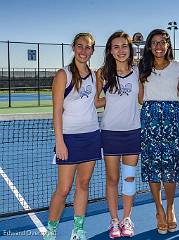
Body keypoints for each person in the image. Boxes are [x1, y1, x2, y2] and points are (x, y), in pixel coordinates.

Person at [44, 32, 101, 240]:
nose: (83, 51)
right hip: (68, 139)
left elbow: (95, 103)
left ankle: (78, 229)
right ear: (73, 48)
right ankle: (51, 230)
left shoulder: (96, 76)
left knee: (83, 185)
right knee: (64, 188)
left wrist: (120, 98)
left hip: (92, 137)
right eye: (80, 46)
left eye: (88, 47)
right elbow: (57, 110)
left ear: (93, 51)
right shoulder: (63, 75)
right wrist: (60, 141)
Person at [138, 29, 179, 235]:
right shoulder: (142, 68)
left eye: (162, 42)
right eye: (154, 43)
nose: (158, 46)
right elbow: (140, 99)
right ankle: (158, 209)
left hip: (173, 118)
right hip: (150, 117)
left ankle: (170, 208)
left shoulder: (178, 67)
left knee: (171, 167)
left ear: (167, 45)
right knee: (153, 166)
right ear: (149, 47)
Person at [95, 31, 140, 238]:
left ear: (130, 49)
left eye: (124, 46)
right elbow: (96, 101)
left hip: (132, 133)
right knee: (112, 179)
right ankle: (114, 221)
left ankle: (127, 218)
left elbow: (141, 99)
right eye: (116, 47)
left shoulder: (139, 72)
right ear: (110, 51)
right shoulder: (102, 74)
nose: (121, 50)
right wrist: (111, 100)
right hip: (110, 134)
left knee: (129, 179)